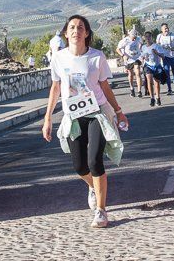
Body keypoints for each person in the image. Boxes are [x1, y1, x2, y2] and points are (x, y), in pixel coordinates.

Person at [43, 15, 129, 229]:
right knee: (79, 165)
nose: (76, 30)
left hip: (97, 113)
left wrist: (118, 112)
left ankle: (101, 210)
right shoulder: (59, 58)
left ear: (87, 33)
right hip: (73, 116)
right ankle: (93, 186)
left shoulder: (97, 57)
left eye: (80, 27)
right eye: (72, 27)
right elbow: (55, 88)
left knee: (94, 161)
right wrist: (48, 119)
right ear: (65, 33)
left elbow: (105, 87)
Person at [117, 28, 145, 97]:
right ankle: (132, 88)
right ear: (130, 36)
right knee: (130, 74)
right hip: (129, 59)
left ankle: (139, 91)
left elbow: (141, 43)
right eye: (133, 38)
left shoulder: (138, 38)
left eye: (135, 37)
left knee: (138, 73)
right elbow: (117, 49)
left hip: (136, 58)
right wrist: (123, 55)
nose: (134, 39)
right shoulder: (125, 41)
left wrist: (140, 50)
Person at [141, 31, 167, 106]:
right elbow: (141, 56)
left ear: (152, 37)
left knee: (156, 83)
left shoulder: (157, 46)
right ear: (144, 38)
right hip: (148, 66)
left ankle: (157, 97)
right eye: (146, 36)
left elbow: (163, 56)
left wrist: (157, 53)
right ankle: (152, 98)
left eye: (149, 36)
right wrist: (143, 58)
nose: (148, 38)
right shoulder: (143, 47)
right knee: (149, 80)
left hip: (156, 66)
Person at [156, 23, 174, 94]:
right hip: (165, 57)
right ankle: (169, 89)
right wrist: (159, 52)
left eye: (167, 28)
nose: (166, 29)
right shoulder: (159, 36)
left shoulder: (173, 35)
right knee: (167, 73)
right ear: (161, 30)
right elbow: (157, 45)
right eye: (165, 28)